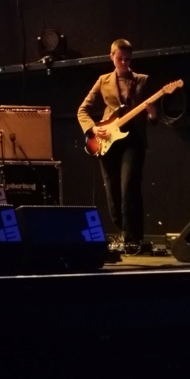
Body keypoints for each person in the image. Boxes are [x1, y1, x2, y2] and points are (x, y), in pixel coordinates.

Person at [77, 38, 157, 255]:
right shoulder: (103, 81)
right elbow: (82, 110)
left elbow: (153, 117)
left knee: (129, 186)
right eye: (119, 58)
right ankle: (123, 233)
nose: (123, 62)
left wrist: (152, 113)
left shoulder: (142, 80)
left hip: (133, 141)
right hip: (107, 141)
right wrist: (93, 129)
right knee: (112, 190)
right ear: (111, 56)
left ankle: (133, 239)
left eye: (127, 59)